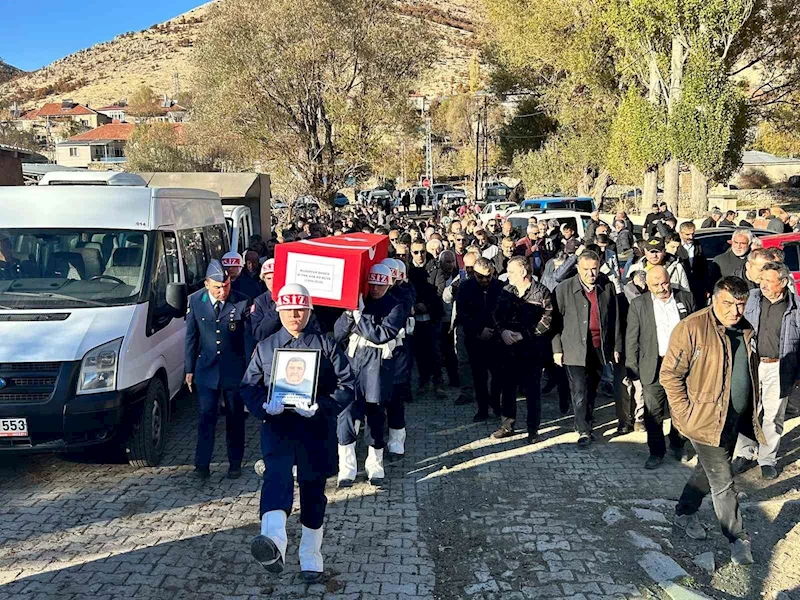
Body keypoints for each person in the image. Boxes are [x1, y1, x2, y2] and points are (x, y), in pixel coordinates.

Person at [243, 284, 355, 581]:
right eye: (289, 309)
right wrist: (265, 407)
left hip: (314, 429)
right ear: (278, 310)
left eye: (301, 309)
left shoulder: (326, 345)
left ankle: (310, 554)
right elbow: (248, 387)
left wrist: (321, 406)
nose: (295, 315)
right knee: (276, 477)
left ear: (309, 311)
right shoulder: (266, 347)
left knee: (313, 490)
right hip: (278, 426)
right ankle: (275, 542)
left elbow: (348, 386)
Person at [661, 277, 765, 566]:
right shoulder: (692, 328)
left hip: (733, 419)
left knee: (705, 474)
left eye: (741, 304)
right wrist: (684, 415)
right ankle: (738, 539)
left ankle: (683, 513)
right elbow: (670, 375)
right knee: (723, 480)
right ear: (714, 299)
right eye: (729, 304)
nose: (735, 310)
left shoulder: (746, 330)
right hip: (704, 420)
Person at [334, 264, 406, 487]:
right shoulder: (361, 301)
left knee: (374, 413)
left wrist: (359, 317)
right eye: (372, 283)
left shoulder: (396, 307)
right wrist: (348, 313)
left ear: (389, 284)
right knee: (345, 413)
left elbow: (380, 334)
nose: (375, 288)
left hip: (377, 364)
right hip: (353, 362)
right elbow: (337, 334)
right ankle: (346, 468)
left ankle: (375, 465)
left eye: (380, 284)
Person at [184, 259, 253, 480]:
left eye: (226, 285)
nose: (223, 291)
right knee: (206, 417)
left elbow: (247, 340)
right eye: (217, 287)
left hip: (234, 370)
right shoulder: (196, 301)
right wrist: (189, 369)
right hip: (206, 369)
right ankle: (201, 465)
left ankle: (235, 463)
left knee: (235, 418)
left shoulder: (241, 302)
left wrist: (250, 372)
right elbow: (191, 337)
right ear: (207, 284)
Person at [732, 262, 800, 480]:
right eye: (762, 280)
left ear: (782, 282)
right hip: (751, 364)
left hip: (779, 367)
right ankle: (744, 453)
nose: (764, 285)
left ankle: (767, 459)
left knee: (773, 415)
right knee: (746, 410)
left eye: (769, 281)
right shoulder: (751, 298)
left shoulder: (796, 307)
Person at [626, 266, 696, 469]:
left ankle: (678, 444)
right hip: (653, 364)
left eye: (664, 283)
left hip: (681, 364)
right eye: (656, 285)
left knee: (680, 409)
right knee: (653, 411)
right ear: (648, 285)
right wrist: (632, 367)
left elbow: (696, 330)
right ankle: (656, 451)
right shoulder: (639, 304)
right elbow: (632, 337)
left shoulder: (686, 298)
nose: (661, 288)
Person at [552, 251, 621, 447]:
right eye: (586, 270)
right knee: (579, 389)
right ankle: (583, 430)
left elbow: (614, 319)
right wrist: (557, 349)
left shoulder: (606, 287)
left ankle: (586, 418)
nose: (591, 273)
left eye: (594, 269)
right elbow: (555, 323)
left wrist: (615, 346)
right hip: (574, 348)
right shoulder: (564, 289)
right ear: (577, 269)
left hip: (598, 347)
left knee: (592, 388)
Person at [492, 256, 554, 442]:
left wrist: (525, 335)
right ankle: (507, 424)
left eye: (512, 272)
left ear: (523, 272)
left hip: (531, 349)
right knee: (508, 388)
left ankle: (533, 429)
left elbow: (548, 320)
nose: (508, 275)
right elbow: (495, 314)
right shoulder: (505, 291)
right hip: (507, 348)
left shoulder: (541, 292)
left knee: (532, 391)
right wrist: (502, 331)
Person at [456, 257, 504, 421]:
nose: (484, 280)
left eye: (488, 276)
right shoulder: (465, 287)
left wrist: (496, 330)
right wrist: (478, 330)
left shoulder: (499, 287)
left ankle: (496, 404)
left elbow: (504, 312)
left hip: (496, 338)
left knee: (498, 375)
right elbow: (463, 313)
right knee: (479, 376)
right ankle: (482, 408)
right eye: (480, 277)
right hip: (474, 337)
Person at [626, 238, 691, 293]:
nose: (654, 256)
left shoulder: (677, 267)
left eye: (657, 252)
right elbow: (629, 293)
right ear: (645, 252)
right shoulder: (634, 269)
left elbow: (686, 292)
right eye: (651, 252)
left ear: (664, 251)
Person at [674, 222, 709, 309]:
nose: (691, 237)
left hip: (698, 287)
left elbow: (704, 268)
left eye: (692, 234)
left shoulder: (698, 245)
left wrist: (706, 287)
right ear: (680, 233)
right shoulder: (675, 246)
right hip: (681, 287)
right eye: (687, 234)